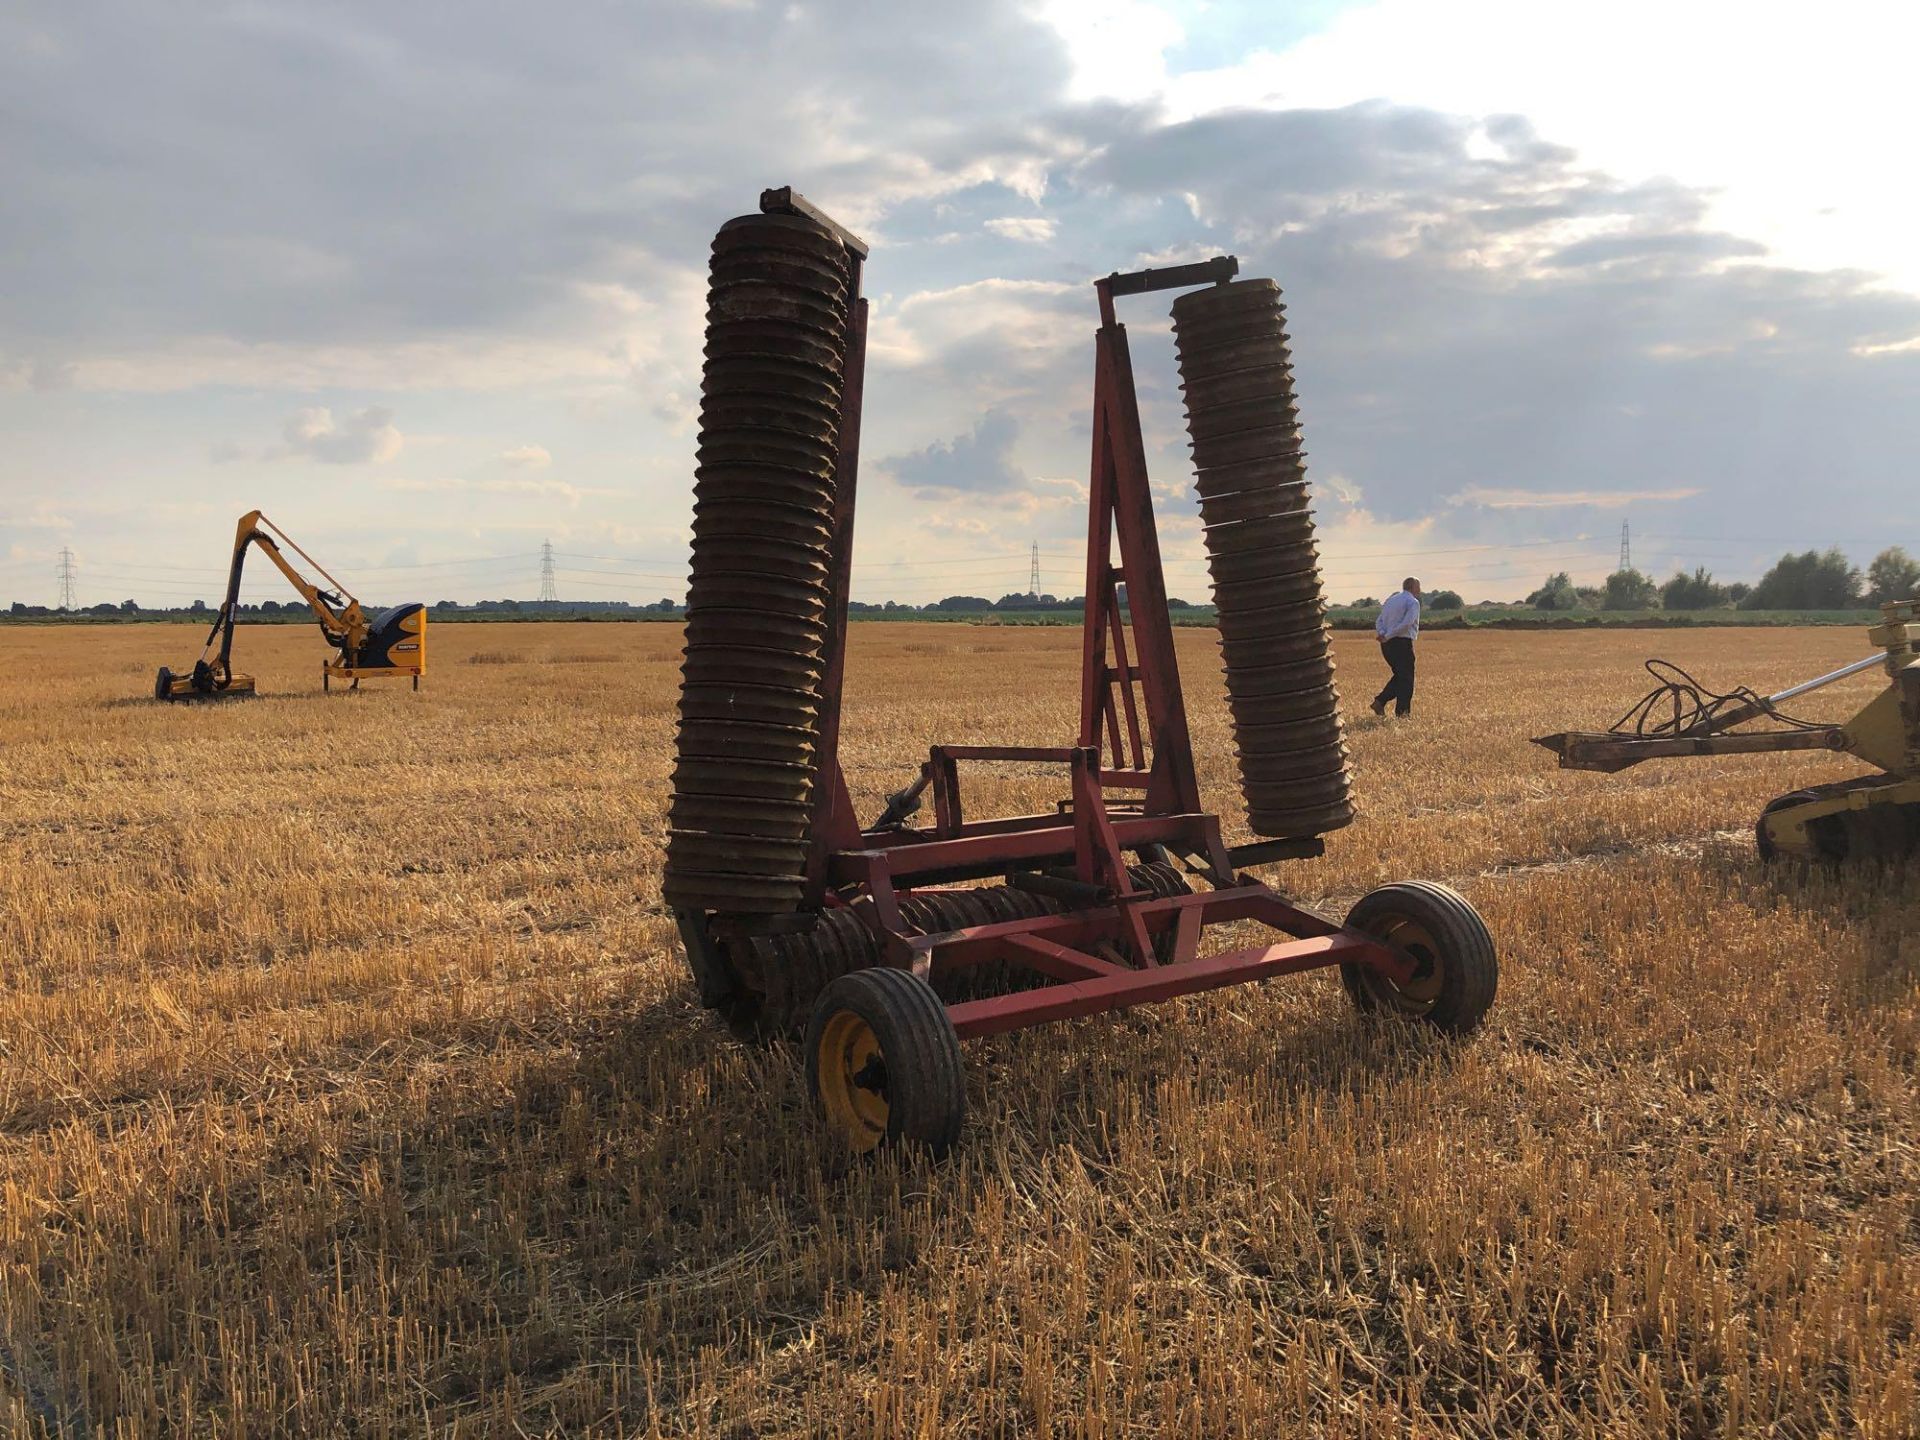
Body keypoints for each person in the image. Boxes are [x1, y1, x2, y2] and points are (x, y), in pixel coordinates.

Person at [1371, 577, 1421, 717]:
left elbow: (1379, 620)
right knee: (1406, 679)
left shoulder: (1391, 600)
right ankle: (1402, 714)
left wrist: (1383, 634)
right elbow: (1407, 623)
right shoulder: (1413, 602)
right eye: (1418, 586)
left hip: (1386, 645)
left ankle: (1380, 702)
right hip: (1401, 643)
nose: (1420, 590)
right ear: (1413, 587)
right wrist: (1389, 635)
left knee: (1401, 676)